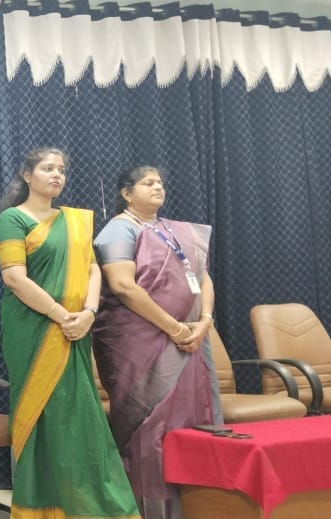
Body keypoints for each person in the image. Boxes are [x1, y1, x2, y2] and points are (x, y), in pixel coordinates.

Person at [0, 147, 139, 518]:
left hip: (76, 328)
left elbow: (92, 269)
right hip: (33, 330)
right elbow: (14, 278)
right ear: (28, 175)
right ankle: (41, 509)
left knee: (79, 417)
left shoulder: (74, 221)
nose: (57, 175)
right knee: (45, 415)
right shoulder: (13, 218)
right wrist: (61, 315)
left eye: (61, 169)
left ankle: (90, 506)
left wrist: (89, 313)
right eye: (47, 168)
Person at [92, 166, 220, 519]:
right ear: (126, 193)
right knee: (150, 429)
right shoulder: (119, 229)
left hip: (190, 337)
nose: (157, 187)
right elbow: (123, 286)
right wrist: (174, 328)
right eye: (148, 183)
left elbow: (203, 278)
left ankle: (197, 505)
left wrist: (204, 321)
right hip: (139, 343)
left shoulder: (176, 231)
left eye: (160, 182)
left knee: (191, 421)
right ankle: (147, 510)